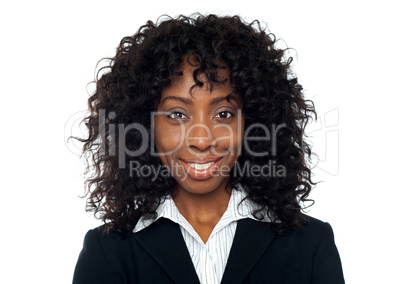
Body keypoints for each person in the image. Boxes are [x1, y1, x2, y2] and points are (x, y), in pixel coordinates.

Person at [72, 14, 344, 284]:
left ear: (253, 123)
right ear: (144, 125)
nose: (201, 140)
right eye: (177, 115)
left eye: (223, 114)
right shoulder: (108, 253)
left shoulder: (311, 245)